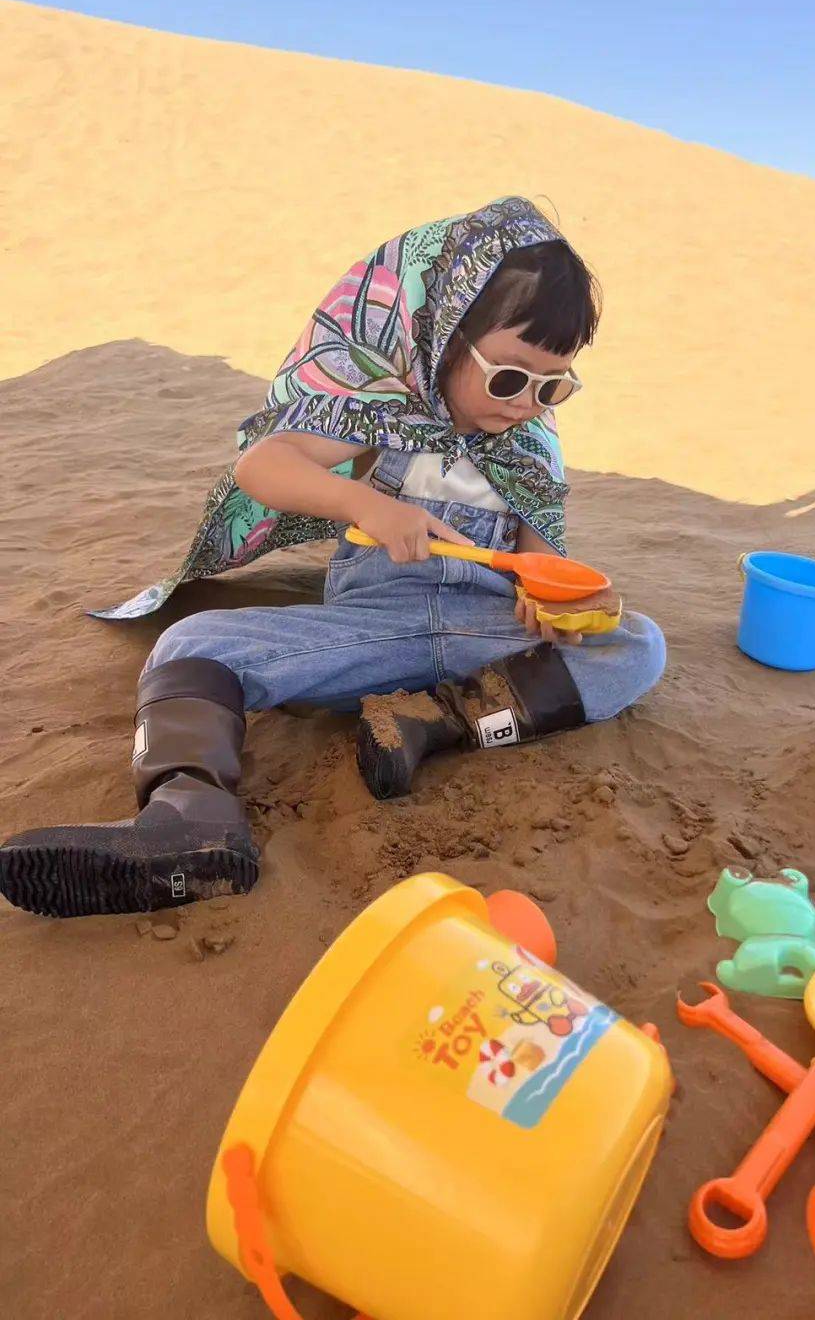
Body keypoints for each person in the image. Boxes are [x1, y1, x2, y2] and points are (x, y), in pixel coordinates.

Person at [0, 197, 666, 919]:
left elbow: (543, 562)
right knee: (191, 645)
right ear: (445, 334)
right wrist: (365, 505)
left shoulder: (532, 448)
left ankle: (432, 721)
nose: (526, 404)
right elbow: (265, 464)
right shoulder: (383, 409)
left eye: (553, 386)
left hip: (482, 641)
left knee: (636, 645)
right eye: (508, 377)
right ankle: (190, 819)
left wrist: (561, 605)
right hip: (369, 634)